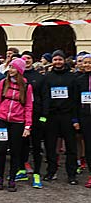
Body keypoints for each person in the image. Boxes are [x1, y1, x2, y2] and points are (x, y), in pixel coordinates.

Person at [0, 57, 33, 192]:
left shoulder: (27, 86)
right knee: (1, 149)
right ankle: (0, 178)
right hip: (2, 119)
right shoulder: (3, 83)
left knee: (15, 151)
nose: (11, 70)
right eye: (10, 67)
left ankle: (12, 179)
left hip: (17, 122)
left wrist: (27, 126)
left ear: (19, 70)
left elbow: (29, 107)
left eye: (14, 68)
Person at [42, 50, 79, 185]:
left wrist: (75, 118)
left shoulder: (72, 77)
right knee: (50, 146)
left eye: (60, 59)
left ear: (64, 61)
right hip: (51, 116)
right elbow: (45, 98)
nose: (58, 62)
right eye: (55, 59)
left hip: (67, 116)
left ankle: (72, 174)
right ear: (52, 61)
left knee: (71, 147)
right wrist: (43, 118)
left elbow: (75, 99)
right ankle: (51, 171)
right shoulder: (47, 77)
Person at [19, 51, 46, 188]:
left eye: (29, 58)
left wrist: (43, 117)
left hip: (36, 115)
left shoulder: (39, 77)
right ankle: (22, 169)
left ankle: (36, 173)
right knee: (21, 145)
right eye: (24, 58)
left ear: (32, 60)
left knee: (36, 146)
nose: (26, 60)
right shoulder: (17, 76)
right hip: (20, 115)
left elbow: (45, 98)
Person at [76, 54, 91, 188]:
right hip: (85, 117)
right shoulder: (80, 80)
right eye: (85, 63)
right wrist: (75, 119)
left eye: (89, 62)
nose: (87, 65)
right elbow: (75, 102)